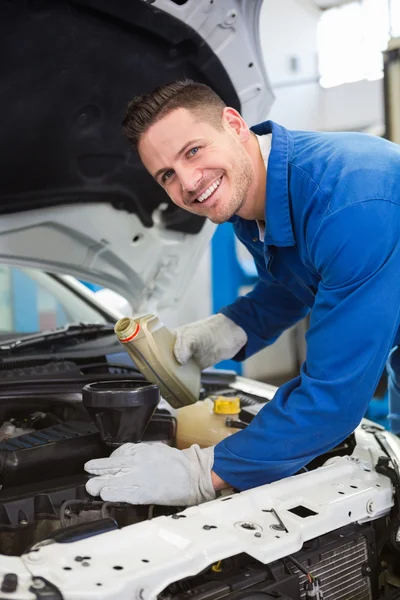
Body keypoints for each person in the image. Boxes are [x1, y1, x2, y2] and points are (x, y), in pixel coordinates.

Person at [84, 79, 400, 506]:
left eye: (193, 151)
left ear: (233, 123)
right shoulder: (251, 201)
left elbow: (332, 400)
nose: (189, 183)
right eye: (167, 175)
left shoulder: (350, 201)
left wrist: (205, 472)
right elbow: (296, 282)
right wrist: (230, 328)